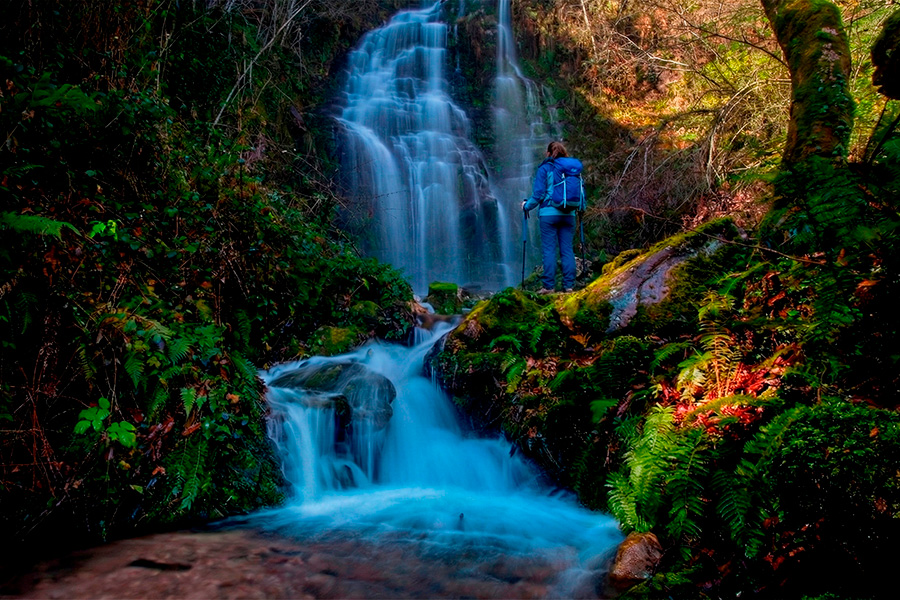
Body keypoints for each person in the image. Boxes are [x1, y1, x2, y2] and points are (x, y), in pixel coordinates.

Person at [523, 141, 579, 294]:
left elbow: (539, 194)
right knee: (567, 250)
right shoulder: (572, 169)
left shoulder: (545, 168)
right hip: (569, 214)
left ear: (548, 153)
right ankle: (569, 287)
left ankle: (549, 287)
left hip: (549, 214)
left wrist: (526, 206)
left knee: (549, 250)